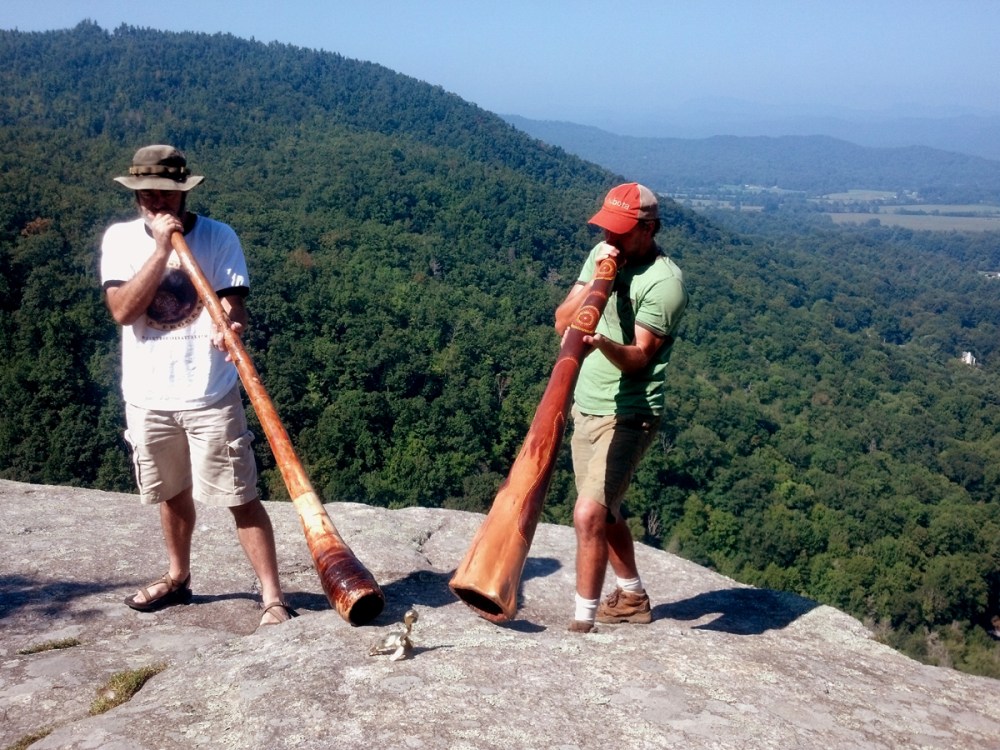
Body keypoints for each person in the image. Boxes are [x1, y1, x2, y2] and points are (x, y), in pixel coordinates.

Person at [100, 144, 294, 628]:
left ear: (183, 194)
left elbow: (234, 304)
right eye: (147, 195)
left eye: (166, 194)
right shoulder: (121, 240)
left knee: (240, 495)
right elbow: (123, 310)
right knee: (172, 493)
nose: (157, 203)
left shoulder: (219, 237)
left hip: (210, 393)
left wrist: (229, 319)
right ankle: (178, 577)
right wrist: (162, 249)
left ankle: (272, 596)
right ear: (136, 195)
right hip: (147, 397)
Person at [554, 183, 688, 633]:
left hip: (631, 412)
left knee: (588, 513)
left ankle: (581, 624)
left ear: (650, 229)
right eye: (606, 229)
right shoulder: (600, 254)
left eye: (622, 232)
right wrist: (598, 281)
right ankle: (632, 596)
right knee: (605, 511)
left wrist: (603, 343)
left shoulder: (664, 283)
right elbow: (560, 321)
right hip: (586, 405)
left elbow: (639, 360)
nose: (610, 239)